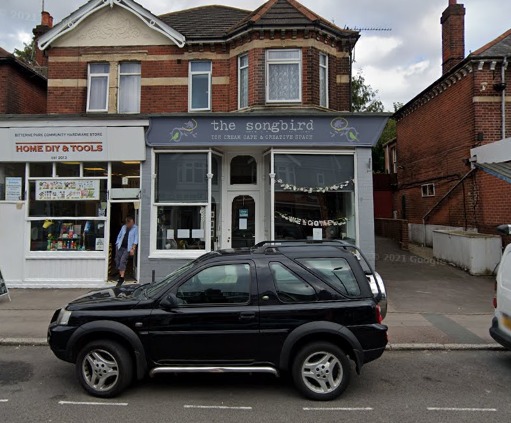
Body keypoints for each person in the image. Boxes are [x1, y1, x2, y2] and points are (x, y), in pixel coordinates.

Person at [115, 216, 138, 287]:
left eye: (132, 222)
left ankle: (122, 278)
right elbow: (119, 236)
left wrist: (133, 248)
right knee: (117, 261)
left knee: (123, 261)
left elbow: (136, 239)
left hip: (127, 248)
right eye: (130, 223)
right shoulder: (123, 227)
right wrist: (117, 243)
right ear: (127, 223)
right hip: (120, 247)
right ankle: (120, 276)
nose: (132, 224)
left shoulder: (135, 228)